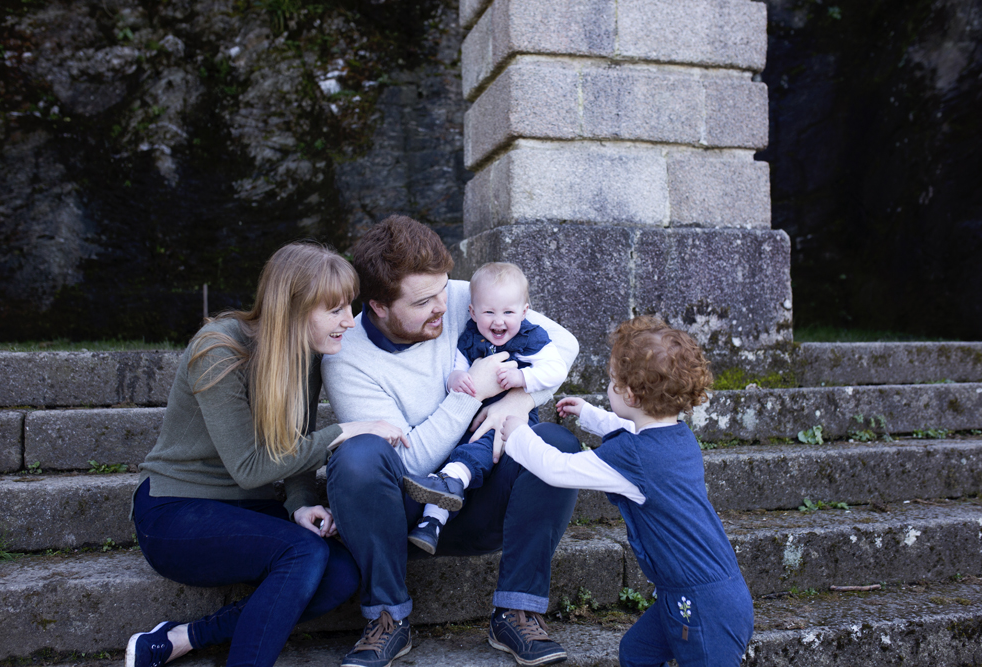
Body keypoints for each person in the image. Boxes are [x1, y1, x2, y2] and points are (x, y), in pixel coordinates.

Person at [128, 243, 409, 667]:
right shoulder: (218, 349)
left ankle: (184, 638)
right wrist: (347, 430)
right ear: (293, 308)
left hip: (250, 510)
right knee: (305, 554)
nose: (348, 323)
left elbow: (292, 441)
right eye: (335, 310)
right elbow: (251, 467)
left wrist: (299, 503)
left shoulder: (306, 356)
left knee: (342, 575)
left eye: (347, 308)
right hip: (176, 510)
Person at [321, 215, 582, 667]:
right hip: (401, 516)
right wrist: (474, 395)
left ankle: (517, 611)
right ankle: (387, 617)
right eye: (424, 301)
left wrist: (514, 400)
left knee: (555, 444)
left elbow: (565, 345)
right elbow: (406, 461)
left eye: (443, 289)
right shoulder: (348, 359)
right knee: (358, 455)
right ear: (379, 306)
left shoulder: (461, 297)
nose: (443, 306)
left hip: (480, 504)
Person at [500, 315, 754, 667]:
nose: (609, 388)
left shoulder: (631, 458)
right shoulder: (679, 437)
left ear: (631, 394)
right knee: (638, 652)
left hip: (700, 605)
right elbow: (638, 430)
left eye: (612, 383)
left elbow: (556, 469)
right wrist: (591, 416)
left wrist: (517, 432)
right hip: (707, 593)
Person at [403, 261, 567, 554]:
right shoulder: (470, 337)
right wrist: (457, 378)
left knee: (479, 446)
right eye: (489, 312)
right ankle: (431, 524)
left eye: (508, 312)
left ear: (525, 311)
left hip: (511, 417)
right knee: (455, 450)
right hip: (471, 415)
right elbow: (459, 368)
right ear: (473, 312)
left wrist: (523, 378)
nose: (498, 321)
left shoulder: (531, 337)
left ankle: (454, 480)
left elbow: (556, 369)